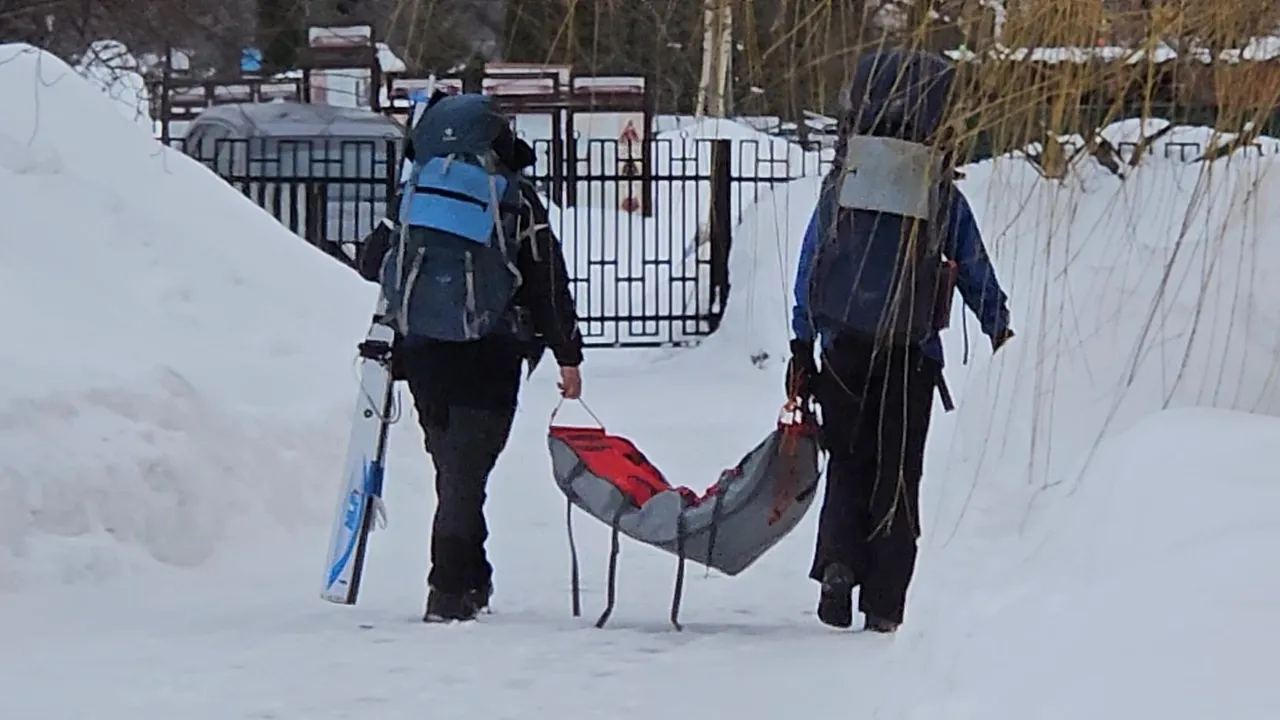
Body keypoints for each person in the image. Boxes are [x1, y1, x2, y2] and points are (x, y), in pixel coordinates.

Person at [786, 50, 1014, 634]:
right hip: (912, 358)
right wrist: (999, 328)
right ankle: (885, 604)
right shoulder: (939, 196)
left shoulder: (844, 185)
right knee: (899, 475)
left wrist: (802, 341)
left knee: (848, 463)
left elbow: (813, 263)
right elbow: (971, 268)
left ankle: (838, 568)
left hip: (842, 349)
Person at [358, 91, 584, 623]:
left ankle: (471, 576)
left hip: (424, 352)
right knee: (466, 472)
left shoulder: (413, 194)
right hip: (493, 352)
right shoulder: (514, 198)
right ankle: (449, 587)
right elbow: (547, 280)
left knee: (454, 469)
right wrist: (567, 353)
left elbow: (373, 263)